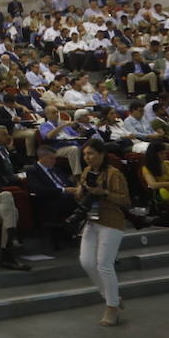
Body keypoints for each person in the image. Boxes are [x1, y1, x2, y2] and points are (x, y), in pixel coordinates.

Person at [73, 139, 131, 327]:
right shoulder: (87, 172)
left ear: (101, 154)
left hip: (111, 221)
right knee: (87, 262)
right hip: (92, 219)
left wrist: (103, 192)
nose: (87, 158)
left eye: (90, 154)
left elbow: (125, 200)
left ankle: (111, 307)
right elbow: (80, 196)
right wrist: (82, 190)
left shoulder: (114, 174)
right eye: (85, 154)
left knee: (104, 264)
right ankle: (111, 297)